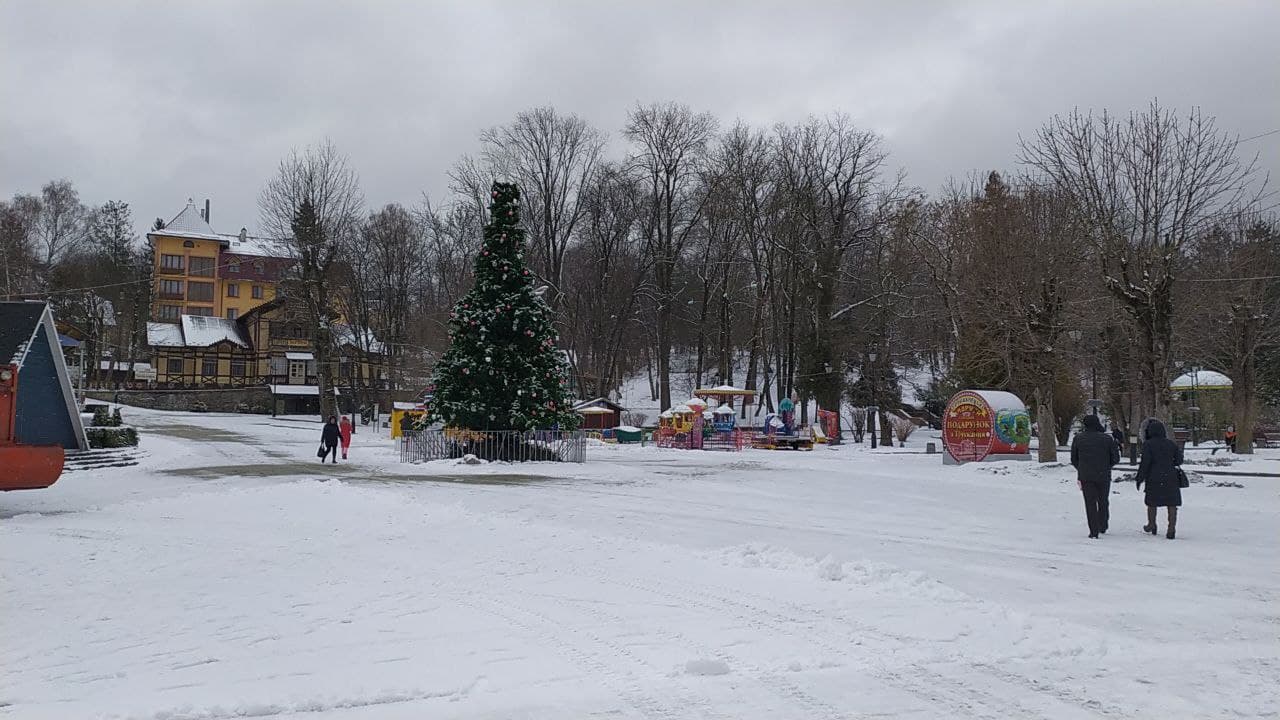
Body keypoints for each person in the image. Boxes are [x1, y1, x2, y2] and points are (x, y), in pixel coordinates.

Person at [1071, 415, 1120, 539]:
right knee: (1103, 500)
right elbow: (1115, 458)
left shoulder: (1078, 438)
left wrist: (1081, 468)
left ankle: (1093, 530)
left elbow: (1074, 458)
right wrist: (1107, 466)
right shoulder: (1107, 439)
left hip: (1086, 475)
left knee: (1090, 503)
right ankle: (1102, 524)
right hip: (1103, 474)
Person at [1136, 417, 1183, 539]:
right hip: (1171, 477)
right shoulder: (1171, 444)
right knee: (1172, 503)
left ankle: (1151, 524)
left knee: (1152, 502)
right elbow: (1179, 460)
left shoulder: (1148, 445)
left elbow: (1145, 463)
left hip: (1154, 477)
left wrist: (1139, 478)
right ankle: (1171, 529)